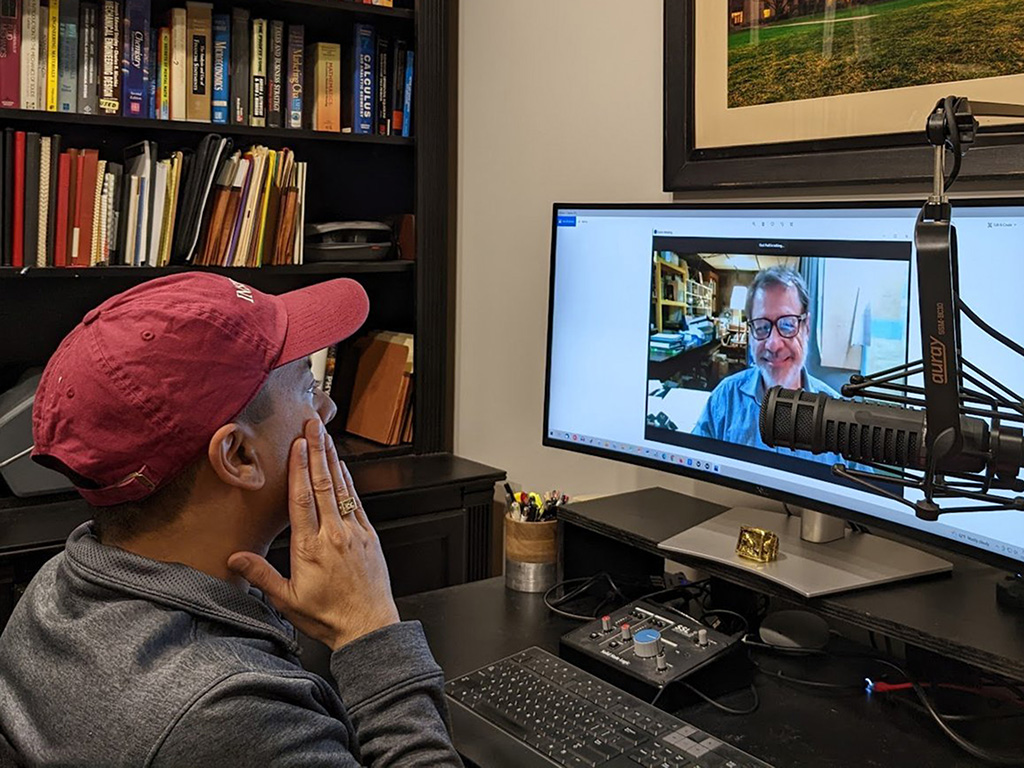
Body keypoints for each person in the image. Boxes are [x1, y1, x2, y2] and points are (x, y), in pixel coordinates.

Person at [0, 273, 463, 767]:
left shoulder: (56, 585)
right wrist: (370, 631)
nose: (327, 409)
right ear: (239, 455)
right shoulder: (227, 714)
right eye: (308, 389)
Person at [693, 266, 847, 465]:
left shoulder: (840, 418)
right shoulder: (724, 399)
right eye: (762, 326)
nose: (773, 344)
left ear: (806, 328)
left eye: (787, 324)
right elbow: (695, 473)